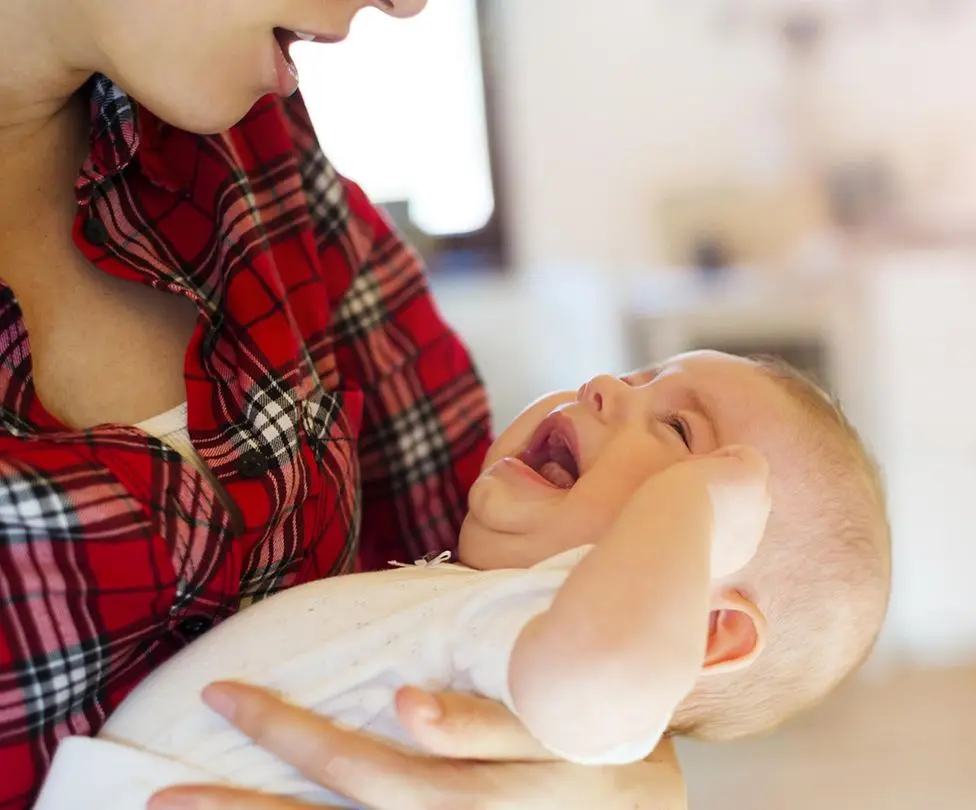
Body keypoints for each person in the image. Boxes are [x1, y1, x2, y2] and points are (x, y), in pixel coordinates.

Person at [0, 0, 681, 807]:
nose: (409, 4)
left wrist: (627, 773)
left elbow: (490, 546)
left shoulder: (256, 152)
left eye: (679, 423)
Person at [33, 351, 892, 809]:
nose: (599, 386)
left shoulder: (545, 625)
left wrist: (687, 503)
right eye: (635, 376)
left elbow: (601, 679)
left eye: (679, 433)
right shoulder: (486, 611)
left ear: (708, 632)